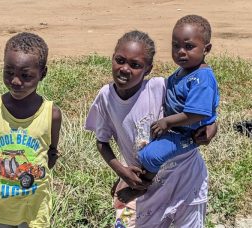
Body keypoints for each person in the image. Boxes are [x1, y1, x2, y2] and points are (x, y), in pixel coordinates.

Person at [85, 29, 217, 227]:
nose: (125, 69)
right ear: (112, 58)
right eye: (120, 60)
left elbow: (198, 109)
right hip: (143, 186)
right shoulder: (105, 97)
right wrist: (121, 172)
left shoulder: (159, 87)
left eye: (135, 65)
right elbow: (101, 142)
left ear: (148, 69)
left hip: (186, 181)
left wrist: (213, 126)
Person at [117, 14, 220, 205]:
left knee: (151, 154)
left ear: (207, 49)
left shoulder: (201, 78)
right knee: (143, 147)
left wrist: (167, 121)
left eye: (189, 47)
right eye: (176, 46)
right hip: (178, 128)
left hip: (187, 133)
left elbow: (198, 112)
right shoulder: (183, 72)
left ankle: (140, 186)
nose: (181, 52)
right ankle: (129, 176)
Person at [0, 32, 62, 228]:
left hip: (33, 207)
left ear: (43, 73)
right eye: (9, 72)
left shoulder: (52, 114)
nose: (16, 81)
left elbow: (51, 152)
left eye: (25, 75)